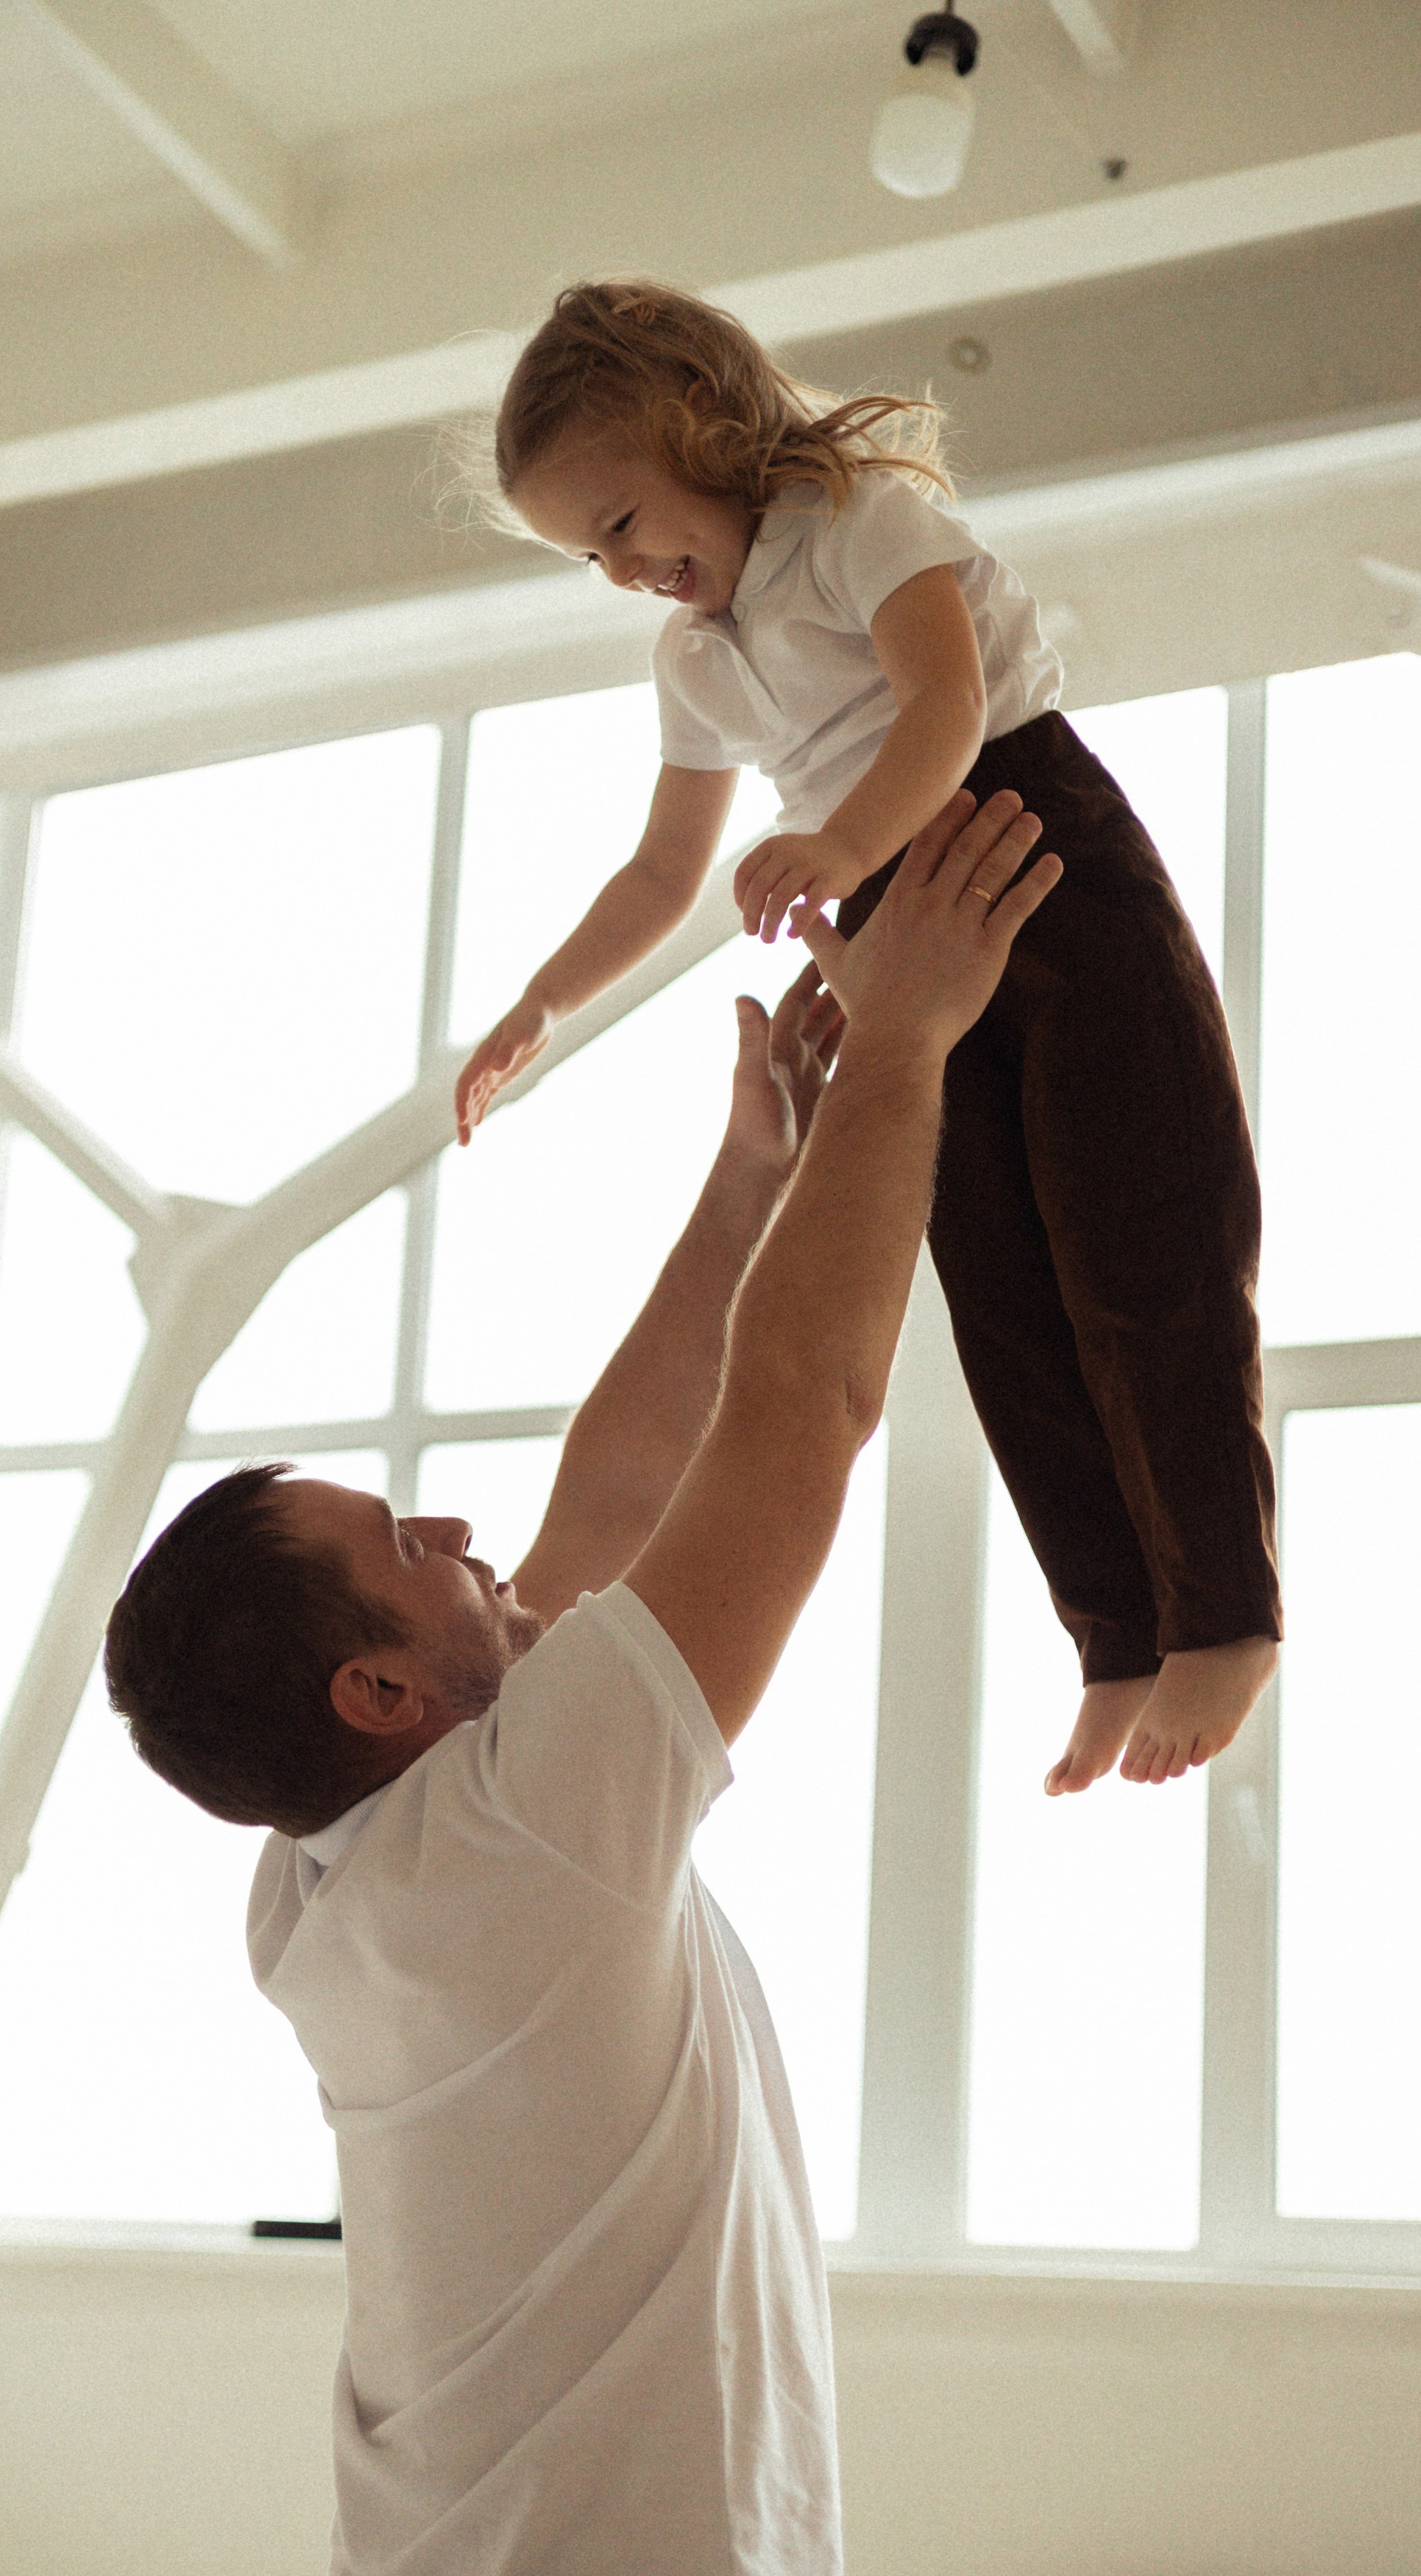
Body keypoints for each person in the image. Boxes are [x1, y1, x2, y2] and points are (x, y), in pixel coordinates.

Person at [104, 790, 1060, 2576]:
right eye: (407, 1541)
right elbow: (797, 1411)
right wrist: (906, 1040)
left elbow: (609, 1511)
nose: (465, 1530)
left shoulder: (338, 1874)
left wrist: (747, 1182)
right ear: (380, 1689)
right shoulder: (521, 1837)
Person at [453, 277, 1280, 1800]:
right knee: (1002, 1301)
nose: (625, 572)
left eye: (624, 522)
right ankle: (1112, 1636)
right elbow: (658, 870)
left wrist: (835, 848)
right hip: (896, 932)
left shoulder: (860, 520)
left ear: (702, 425)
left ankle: (1221, 1613)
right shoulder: (697, 658)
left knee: (1141, 1243)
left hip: (1032, 849)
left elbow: (945, 707)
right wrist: (540, 1003)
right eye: (591, 553)